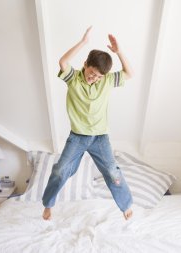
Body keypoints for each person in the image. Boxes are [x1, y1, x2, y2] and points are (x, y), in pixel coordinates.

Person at [42, 26, 133, 221]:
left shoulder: (106, 81)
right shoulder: (73, 79)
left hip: (100, 138)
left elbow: (129, 73)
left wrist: (119, 52)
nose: (94, 78)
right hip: (77, 137)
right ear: (85, 64)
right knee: (60, 170)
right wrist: (83, 43)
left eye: (98, 76)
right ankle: (48, 204)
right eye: (92, 73)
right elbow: (63, 61)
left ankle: (125, 205)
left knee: (111, 171)